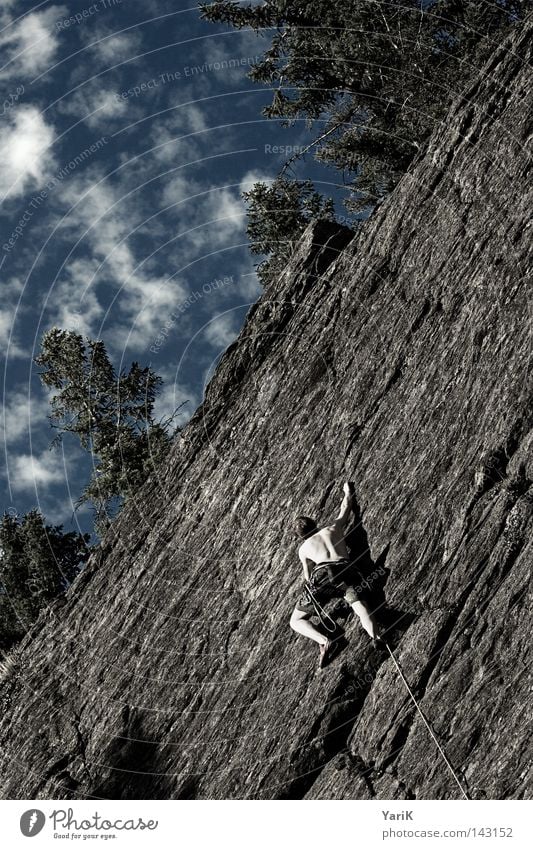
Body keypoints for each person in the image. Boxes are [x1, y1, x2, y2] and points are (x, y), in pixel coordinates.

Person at [290, 481, 379, 668]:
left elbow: (308, 579)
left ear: (300, 536)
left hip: (321, 576)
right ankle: (375, 635)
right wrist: (347, 491)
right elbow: (346, 507)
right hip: (346, 570)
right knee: (359, 605)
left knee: (296, 620)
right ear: (315, 523)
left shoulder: (303, 549)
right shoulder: (333, 528)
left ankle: (324, 641)